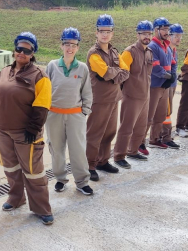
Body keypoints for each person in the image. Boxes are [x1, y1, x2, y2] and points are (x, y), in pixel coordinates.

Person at [0, 32, 54, 224]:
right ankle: (16, 198)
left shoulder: (39, 75)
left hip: (26, 133)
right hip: (3, 130)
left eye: (27, 49)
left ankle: (41, 207)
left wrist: (33, 128)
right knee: (10, 167)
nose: (21, 52)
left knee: (33, 171)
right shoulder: (5, 71)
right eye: (18, 48)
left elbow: (42, 104)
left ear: (33, 53)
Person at [46, 27, 93, 195]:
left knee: (78, 149)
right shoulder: (52, 66)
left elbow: (87, 92)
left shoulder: (82, 68)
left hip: (75, 115)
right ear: (61, 45)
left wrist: (84, 112)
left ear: (78, 47)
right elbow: (45, 90)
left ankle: (82, 181)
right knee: (56, 149)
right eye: (67, 44)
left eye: (74, 44)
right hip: (54, 115)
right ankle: (60, 179)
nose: (70, 48)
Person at [86, 14, 130, 182]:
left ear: (112, 32)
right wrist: (112, 73)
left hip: (114, 98)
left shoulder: (113, 51)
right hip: (99, 99)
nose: (105, 34)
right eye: (101, 31)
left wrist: (113, 74)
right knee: (94, 134)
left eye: (108, 31)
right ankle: (89, 165)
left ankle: (102, 161)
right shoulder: (93, 53)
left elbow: (126, 72)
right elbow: (104, 72)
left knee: (109, 132)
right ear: (96, 33)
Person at [113, 20, 153, 168]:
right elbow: (121, 73)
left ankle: (133, 150)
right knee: (126, 127)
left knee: (141, 127)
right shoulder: (130, 52)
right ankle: (119, 155)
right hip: (131, 96)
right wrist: (123, 93)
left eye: (149, 33)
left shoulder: (149, 52)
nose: (146, 36)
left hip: (145, 96)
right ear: (138, 34)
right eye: (143, 33)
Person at [142, 17, 176, 151]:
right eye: (164, 29)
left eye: (168, 29)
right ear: (156, 30)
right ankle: (139, 142)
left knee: (161, 115)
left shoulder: (166, 46)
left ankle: (154, 139)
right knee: (149, 116)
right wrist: (168, 76)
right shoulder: (152, 46)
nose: (167, 32)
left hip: (165, 86)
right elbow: (155, 67)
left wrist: (172, 76)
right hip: (155, 86)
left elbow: (172, 63)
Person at [160, 24, 184, 149]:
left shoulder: (174, 50)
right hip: (166, 85)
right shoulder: (165, 49)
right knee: (165, 111)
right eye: (176, 36)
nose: (179, 38)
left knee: (167, 111)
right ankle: (165, 137)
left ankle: (162, 135)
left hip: (172, 84)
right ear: (169, 35)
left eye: (180, 36)